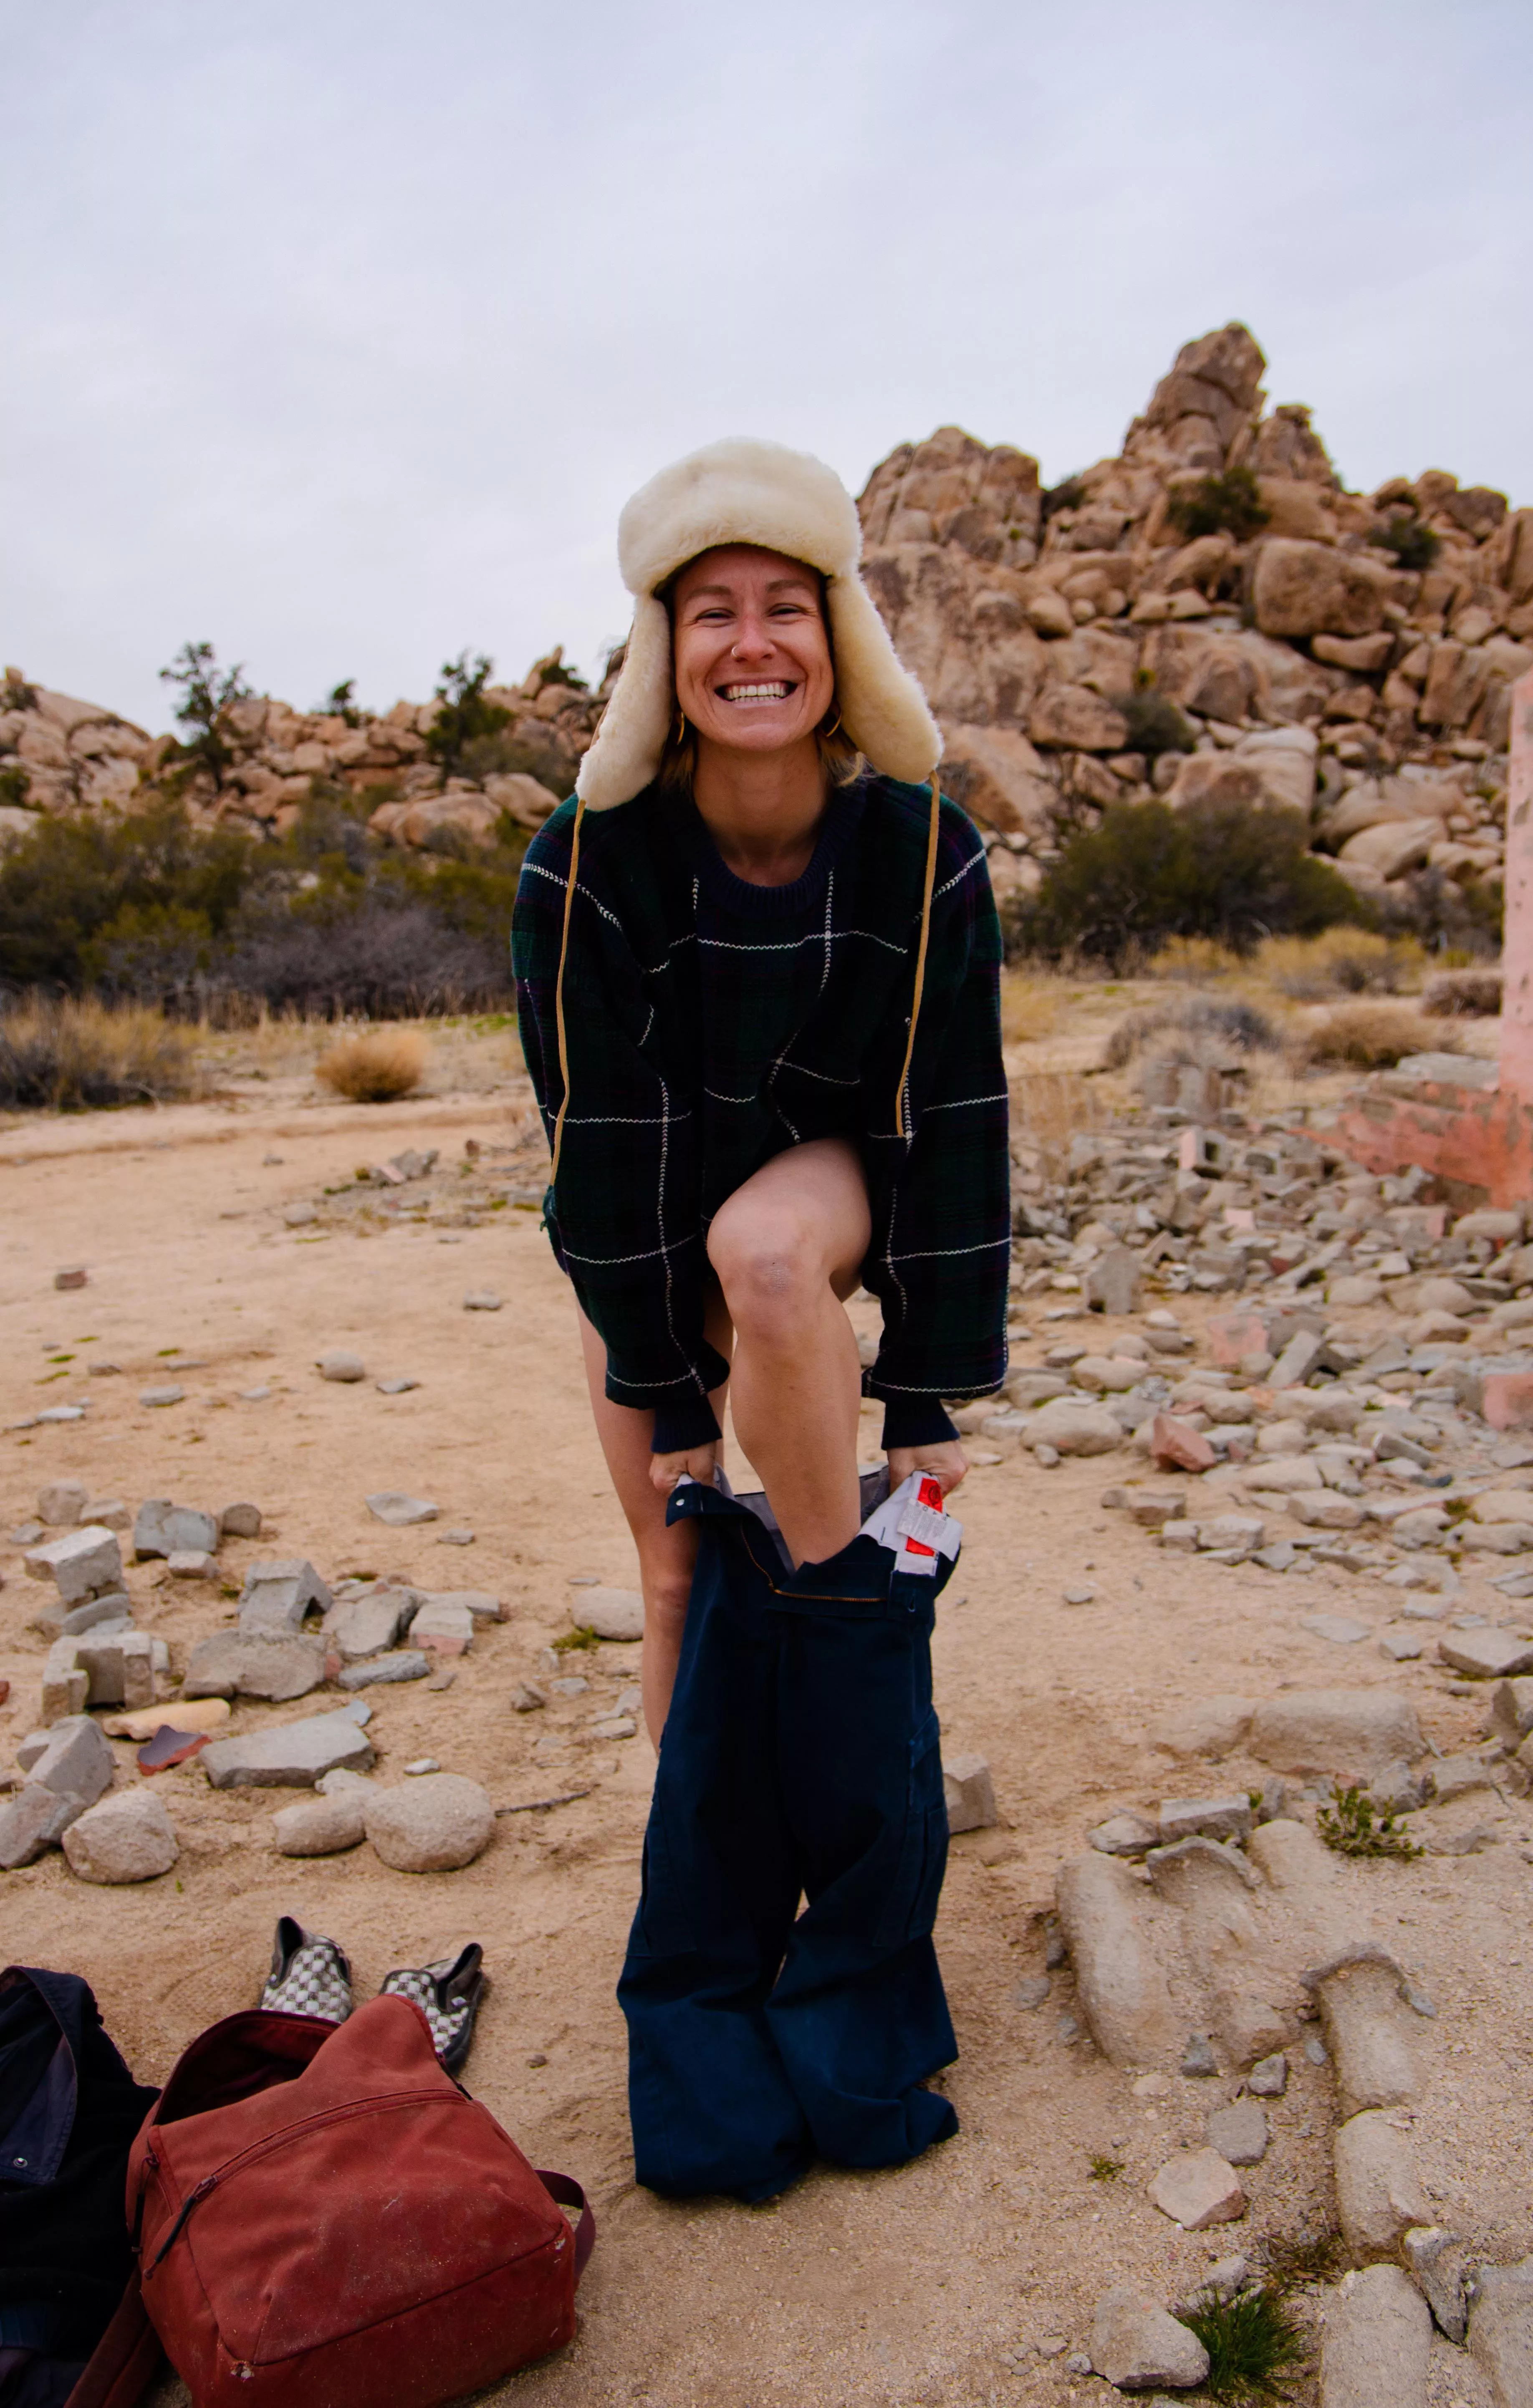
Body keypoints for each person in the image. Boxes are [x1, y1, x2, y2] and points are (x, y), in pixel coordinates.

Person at [512, 438, 1010, 2201]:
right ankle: (723, 1893)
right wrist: (661, 1391)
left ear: (836, 635)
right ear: (665, 648)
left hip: (815, 1196)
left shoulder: (922, 849)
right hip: (641, 1238)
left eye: (783, 609)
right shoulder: (588, 869)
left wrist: (931, 1395)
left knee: (786, 1335)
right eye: (710, 610)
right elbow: (599, 1158)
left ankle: (856, 1878)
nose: (751, 643)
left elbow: (954, 1117)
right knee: (672, 1572)